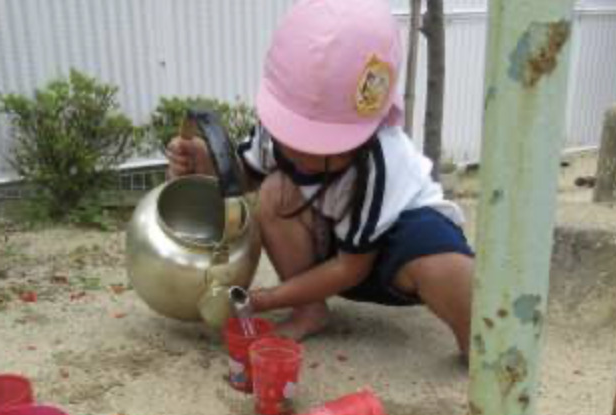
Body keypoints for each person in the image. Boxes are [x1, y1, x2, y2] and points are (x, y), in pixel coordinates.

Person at [166, 0, 474, 358]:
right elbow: (246, 176)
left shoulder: (380, 160)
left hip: (395, 246)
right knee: (274, 192)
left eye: (327, 144)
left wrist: (267, 299)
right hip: (335, 240)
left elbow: (351, 268)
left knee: (448, 269)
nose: (304, 154)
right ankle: (310, 310)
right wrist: (207, 161)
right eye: (295, 138)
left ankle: (482, 349)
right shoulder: (274, 131)